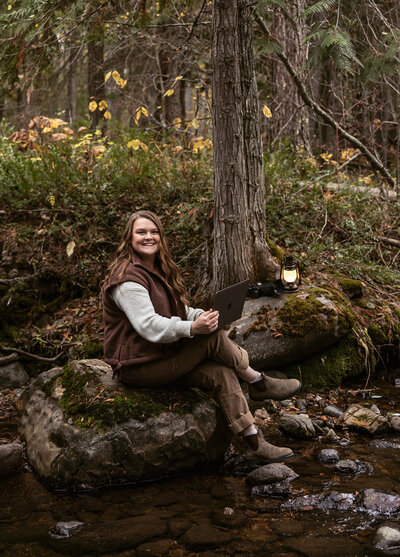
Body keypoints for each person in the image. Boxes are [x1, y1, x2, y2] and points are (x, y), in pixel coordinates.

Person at [102, 210, 301, 463]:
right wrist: (193, 328)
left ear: (161, 237)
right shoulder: (126, 280)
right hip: (139, 366)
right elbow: (148, 325)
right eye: (141, 232)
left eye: (154, 232)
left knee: (221, 372)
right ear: (129, 238)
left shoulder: (155, 270)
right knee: (209, 339)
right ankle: (258, 381)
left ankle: (253, 442)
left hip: (160, 357)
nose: (148, 237)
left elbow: (177, 311)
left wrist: (201, 315)